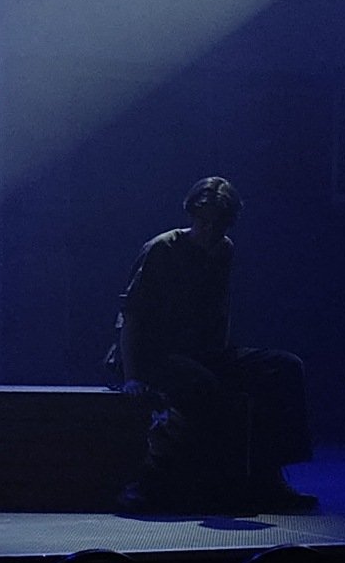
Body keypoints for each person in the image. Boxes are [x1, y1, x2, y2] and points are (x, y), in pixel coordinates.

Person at [111, 175, 314, 515]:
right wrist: (132, 376)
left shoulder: (224, 250)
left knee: (284, 367)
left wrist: (227, 359)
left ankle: (267, 478)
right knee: (201, 385)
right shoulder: (162, 249)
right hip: (155, 354)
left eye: (218, 225)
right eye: (204, 223)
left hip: (203, 352)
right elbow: (132, 316)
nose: (210, 231)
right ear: (192, 216)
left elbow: (220, 310)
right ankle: (151, 479)